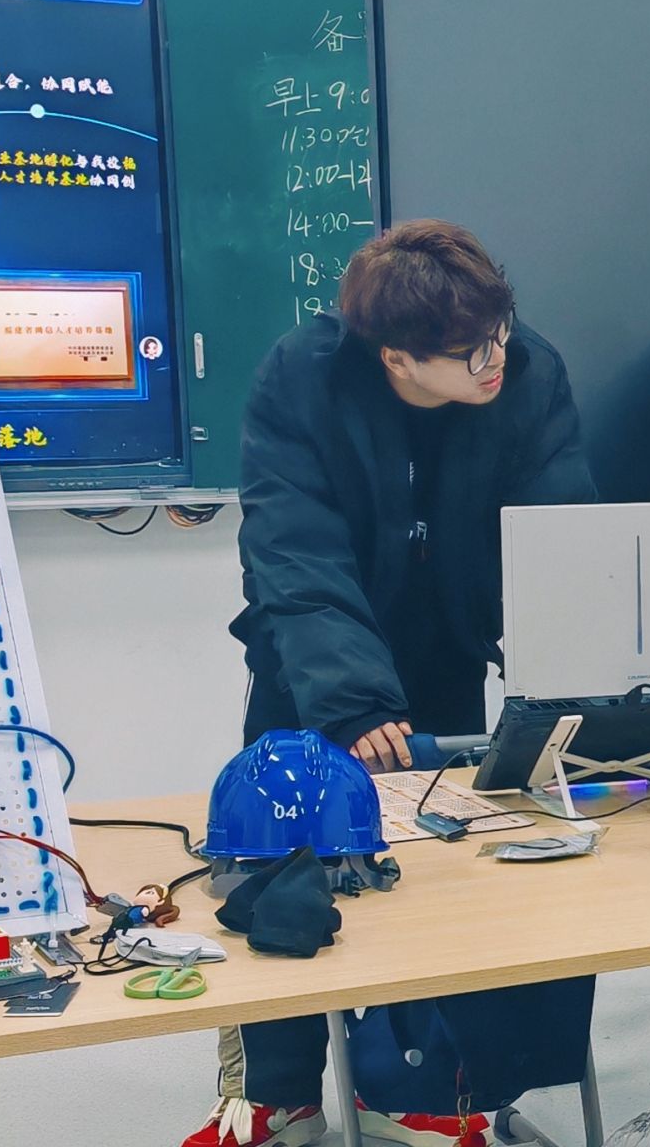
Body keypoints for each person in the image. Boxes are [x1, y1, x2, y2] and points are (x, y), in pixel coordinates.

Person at [184, 219, 597, 1147]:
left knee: (438, 881)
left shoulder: (527, 369)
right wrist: (355, 700)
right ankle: (274, 1095)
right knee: (277, 869)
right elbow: (295, 552)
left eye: (500, 331)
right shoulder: (300, 377)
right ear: (396, 358)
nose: (496, 359)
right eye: (469, 352)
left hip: (445, 649)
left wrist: (577, 677)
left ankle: (421, 1091)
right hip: (310, 668)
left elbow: (560, 536)